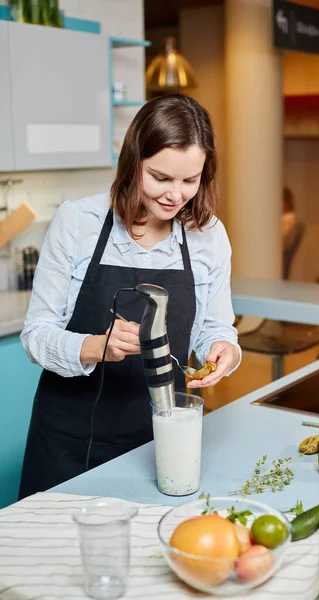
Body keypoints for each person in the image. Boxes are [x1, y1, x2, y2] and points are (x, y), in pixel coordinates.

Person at [19, 94, 241, 499]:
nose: (176, 195)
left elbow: (214, 325)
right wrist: (94, 346)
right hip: (68, 441)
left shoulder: (208, 236)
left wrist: (223, 349)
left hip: (162, 440)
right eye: (161, 177)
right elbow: (36, 335)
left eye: (190, 180)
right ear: (133, 161)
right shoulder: (78, 221)